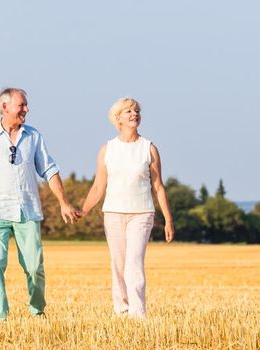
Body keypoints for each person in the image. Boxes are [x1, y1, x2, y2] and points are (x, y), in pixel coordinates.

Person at [0, 87, 81, 320]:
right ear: (4, 107)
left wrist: (64, 203)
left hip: (28, 211)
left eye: (26, 105)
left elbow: (49, 170)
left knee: (34, 266)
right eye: (22, 105)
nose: (26, 109)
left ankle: (37, 311)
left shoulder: (34, 136)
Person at [80, 96, 174, 318]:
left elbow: (158, 187)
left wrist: (168, 220)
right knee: (118, 264)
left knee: (134, 262)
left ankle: (137, 313)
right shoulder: (107, 149)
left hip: (141, 213)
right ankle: (121, 309)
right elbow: (97, 187)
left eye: (136, 111)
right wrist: (83, 210)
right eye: (129, 111)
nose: (134, 114)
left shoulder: (149, 148)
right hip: (113, 213)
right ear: (117, 118)